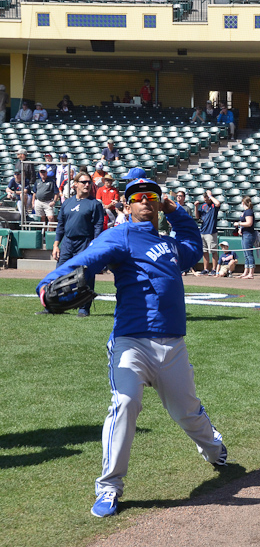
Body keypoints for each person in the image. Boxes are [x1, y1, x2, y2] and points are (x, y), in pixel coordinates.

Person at [36, 177, 228, 518]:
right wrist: (48, 282)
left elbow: (193, 247)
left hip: (172, 344)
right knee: (124, 403)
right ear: (127, 205)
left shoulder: (170, 245)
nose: (145, 201)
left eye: (152, 196)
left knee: (186, 412)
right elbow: (88, 258)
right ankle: (109, 487)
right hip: (131, 341)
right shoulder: (121, 235)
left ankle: (214, 449)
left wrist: (176, 210)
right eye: (138, 197)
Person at [44, 171, 105, 317]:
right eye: (83, 182)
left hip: (85, 242)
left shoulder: (95, 204)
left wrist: (94, 246)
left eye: (89, 182)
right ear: (75, 184)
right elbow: (61, 225)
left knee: (85, 275)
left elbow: (98, 226)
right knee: (59, 274)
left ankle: (84, 307)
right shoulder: (67, 203)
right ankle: (54, 306)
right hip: (67, 242)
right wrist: (56, 245)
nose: (87, 185)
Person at [193, 190, 221, 275]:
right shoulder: (203, 206)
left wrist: (210, 196)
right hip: (203, 231)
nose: (205, 200)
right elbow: (197, 216)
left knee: (213, 251)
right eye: (204, 198)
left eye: (207, 198)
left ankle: (214, 269)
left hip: (211, 231)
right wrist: (196, 207)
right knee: (204, 251)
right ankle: (205, 269)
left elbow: (218, 203)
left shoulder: (213, 205)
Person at [235, 196, 257, 279]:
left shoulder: (248, 212)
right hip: (245, 234)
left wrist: (239, 224)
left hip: (249, 234)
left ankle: (251, 273)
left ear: (243, 203)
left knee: (249, 254)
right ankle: (245, 272)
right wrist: (241, 228)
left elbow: (249, 223)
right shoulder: (246, 212)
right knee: (246, 254)